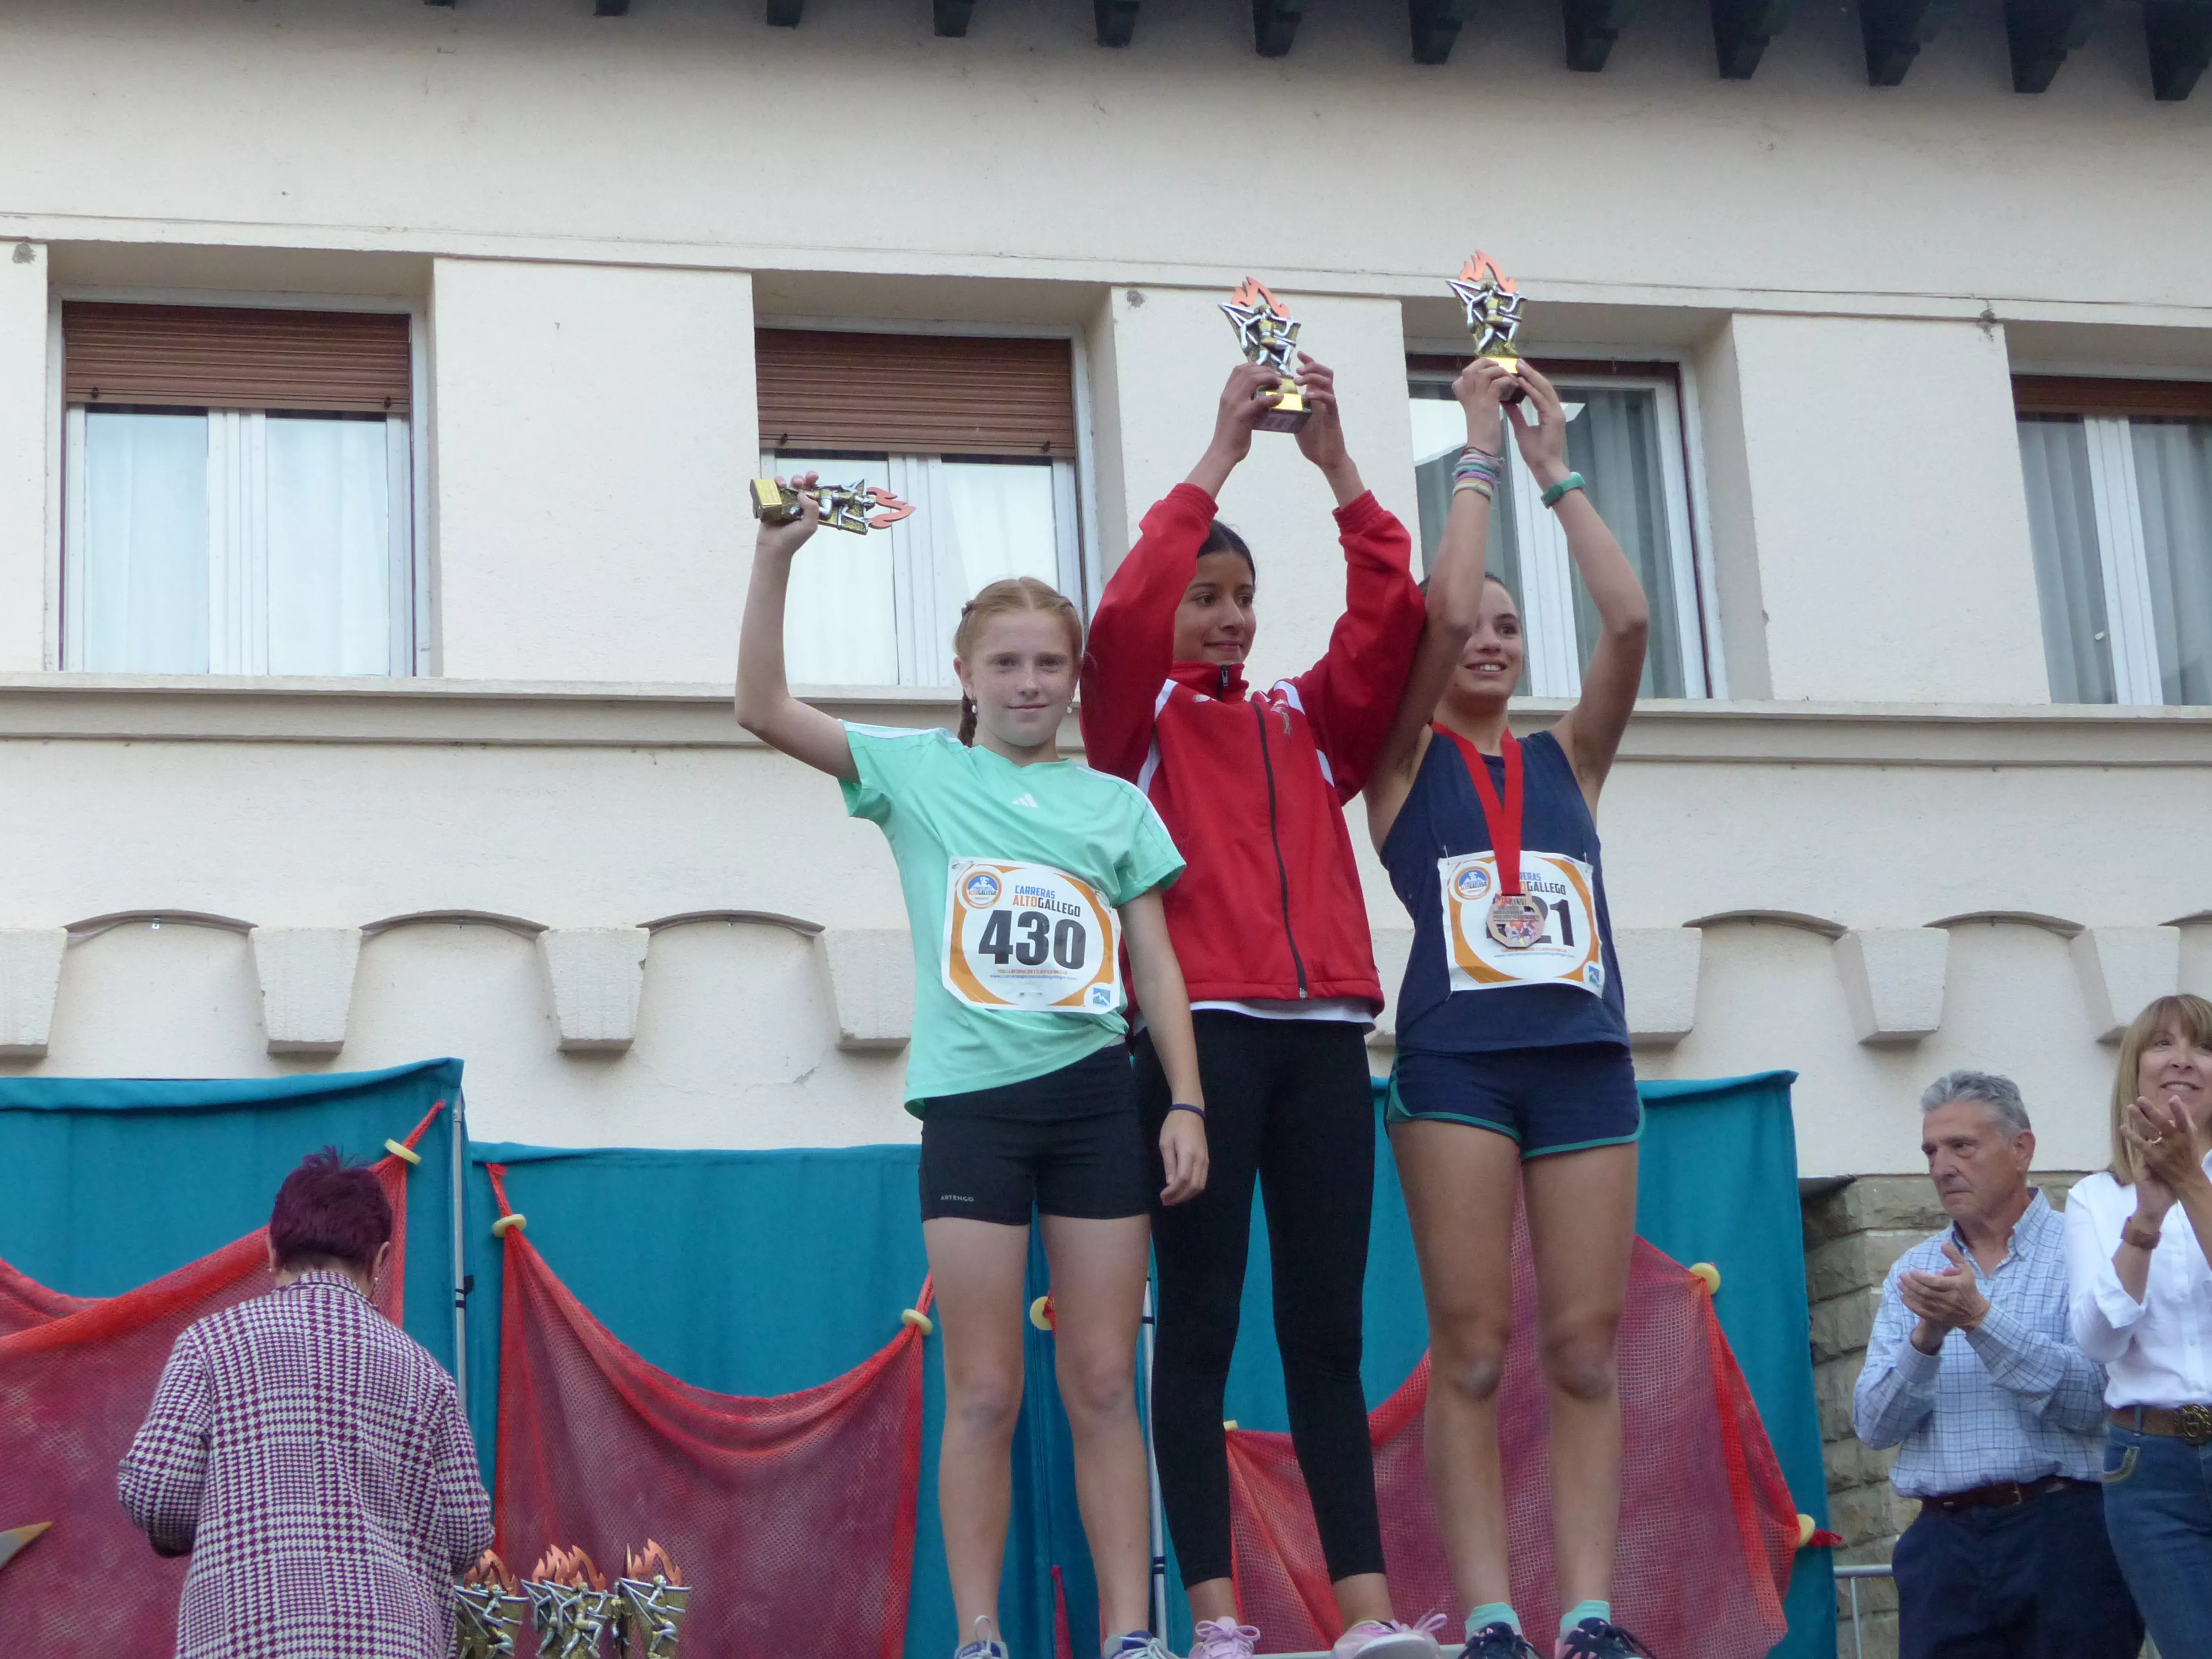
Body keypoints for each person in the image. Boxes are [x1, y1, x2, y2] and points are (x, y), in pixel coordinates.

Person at [736, 478, 1209, 1659]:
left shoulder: (1114, 808)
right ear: (965, 676)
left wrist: (1187, 1101)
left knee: (1103, 1381)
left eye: (1049, 664)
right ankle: (982, 1634)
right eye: (1006, 664)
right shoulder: (915, 776)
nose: (1028, 683)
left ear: (1074, 677)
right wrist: (778, 558)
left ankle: (1131, 1633)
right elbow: (760, 707)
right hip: (972, 1112)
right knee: (986, 1387)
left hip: (1096, 1103)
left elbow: (1157, 965)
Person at [1081, 356, 1448, 1659]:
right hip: (1202, 1045)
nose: (1229, 617)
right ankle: (1216, 1618)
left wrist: (1338, 464)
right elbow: (1121, 613)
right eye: (1208, 597)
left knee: (1327, 1336)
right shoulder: (1133, 726)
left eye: (1242, 598)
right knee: (1198, 1328)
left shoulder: (1305, 719)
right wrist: (1221, 453)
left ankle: (1364, 1615)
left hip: (1327, 1040)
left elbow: (1391, 618)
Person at [1362, 359, 1652, 1659]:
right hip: (1458, 1073)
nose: (1486, 638)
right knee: (1472, 1349)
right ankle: (1489, 1616)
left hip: (1582, 1063)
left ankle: (1585, 1612)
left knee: (1584, 1348)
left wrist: (1555, 471)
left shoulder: (1568, 757)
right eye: (1472, 627)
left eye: (1508, 626)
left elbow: (1628, 623)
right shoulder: (1397, 761)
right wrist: (1471, 455)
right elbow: (1430, 616)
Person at [117, 1149, 491, 1659]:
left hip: (249, 1637)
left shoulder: (210, 1345)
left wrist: (230, 1512)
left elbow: (157, 1493)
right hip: (394, 1643)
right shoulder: (428, 1377)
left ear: (273, 1252)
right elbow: (466, 1534)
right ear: (380, 1261)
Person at [1853, 1072, 2140, 1659]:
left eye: (1962, 1146)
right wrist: (1926, 1339)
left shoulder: (2084, 1248)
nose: (1941, 1167)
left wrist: (1980, 1320)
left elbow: (2097, 1400)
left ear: (2021, 1149)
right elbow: (1874, 1427)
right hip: (1943, 1544)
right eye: (1931, 1151)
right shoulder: (1914, 1269)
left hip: (2065, 1533)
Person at [2064, 992, 2212, 1659]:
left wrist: (2189, 1181)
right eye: (2162, 1044)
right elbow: (2097, 1343)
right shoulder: (2095, 1198)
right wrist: (2145, 1222)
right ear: (2135, 1068)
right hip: (2149, 1467)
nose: (2182, 1059)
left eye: (2202, 1046)